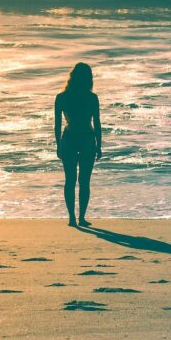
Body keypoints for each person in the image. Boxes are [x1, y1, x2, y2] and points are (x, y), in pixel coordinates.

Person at [54, 62, 102, 227]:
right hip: (88, 139)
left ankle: (72, 219)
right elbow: (97, 123)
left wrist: (58, 145)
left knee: (70, 180)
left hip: (68, 139)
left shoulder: (61, 97)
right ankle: (81, 218)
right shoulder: (92, 98)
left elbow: (57, 125)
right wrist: (99, 145)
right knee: (84, 181)